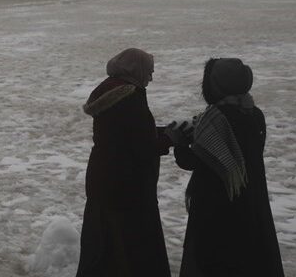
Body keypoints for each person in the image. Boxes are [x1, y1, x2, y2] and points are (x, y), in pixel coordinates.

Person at [173, 58, 284, 277]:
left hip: (216, 210)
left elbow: (191, 161)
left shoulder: (212, 121)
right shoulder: (255, 114)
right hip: (250, 203)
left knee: (215, 263)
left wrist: (179, 141)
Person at [76, 47, 175, 277]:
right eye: (149, 71)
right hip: (126, 189)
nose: (151, 77)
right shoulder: (129, 96)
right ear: (135, 70)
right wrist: (171, 138)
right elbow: (142, 146)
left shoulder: (110, 90)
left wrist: (160, 132)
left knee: (103, 249)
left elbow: (125, 134)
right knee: (129, 254)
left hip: (104, 182)